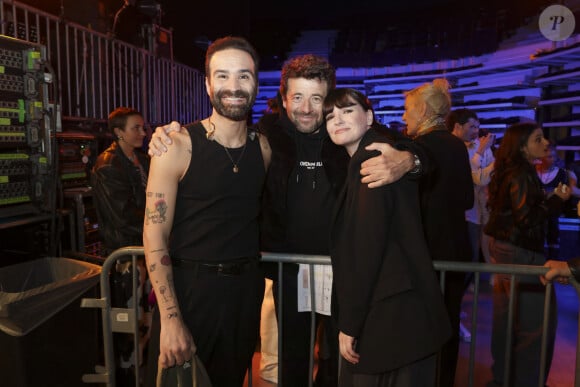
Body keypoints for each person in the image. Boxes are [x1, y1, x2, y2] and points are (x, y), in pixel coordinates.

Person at [148, 53, 424, 387]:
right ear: (283, 99)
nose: (306, 108)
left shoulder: (346, 129)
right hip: (291, 272)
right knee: (292, 360)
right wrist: (167, 132)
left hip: (345, 272)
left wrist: (411, 159)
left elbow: (415, 147)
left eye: (316, 98)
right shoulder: (266, 135)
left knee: (341, 360)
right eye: (297, 97)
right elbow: (222, 134)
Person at [142, 36, 271, 387]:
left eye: (244, 76)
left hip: (244, 295)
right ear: (208, 83)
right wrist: (170, 320)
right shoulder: (177, 145)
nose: (234, 86)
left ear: (256, 82)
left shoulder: (264, 148)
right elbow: (154, 234)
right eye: (223, 75)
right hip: (190, 294)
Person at [324, 87, 451, 387]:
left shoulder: (375, 158)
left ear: (369, 117)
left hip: (392, 317)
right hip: (400, 317)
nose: (337, 120)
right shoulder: (372, 154)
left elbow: (367, 249)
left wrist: (349, 323)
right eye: (330, 115)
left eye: (347, 110)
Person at [484, 122, 571, 387]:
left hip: (507, 250)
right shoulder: (522, 173)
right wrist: (556, 200)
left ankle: (503, 378)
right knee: (535, 327)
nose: (545, 143)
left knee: (508, 320)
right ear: (522, 146)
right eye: (538, 138)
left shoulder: (512, 171)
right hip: (522, 254)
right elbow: (527, 219)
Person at [402, 78, 474, 387]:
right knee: (448, 323)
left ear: (423, 111)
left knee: (420, 327)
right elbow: (467, 199)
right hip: (455, 250)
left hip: (425, 253)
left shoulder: (417, 148)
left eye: (408, 110)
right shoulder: (457, 145)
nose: (405, 117)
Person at [91, 107, 152, 385]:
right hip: (126, 254)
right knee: (130, 324)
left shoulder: (141, 159)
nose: (143, 132)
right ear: (118, 132)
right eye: (136, 128)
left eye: (143, 127)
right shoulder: (108, 164)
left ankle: (144, 373)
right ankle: (128, 377)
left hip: (145, 249)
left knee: (146, 321)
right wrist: (161, 228)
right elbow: (123, 215)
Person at [448, 108, 495, 269]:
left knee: (485, 243)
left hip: (482, 203)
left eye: (477, 126)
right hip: (462, 208)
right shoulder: (450, 146)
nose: (476, 131)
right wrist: (481, 153)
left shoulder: (481, 146)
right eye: (472, 126)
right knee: (468, 247)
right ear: (458, 126)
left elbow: (488, 175)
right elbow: (474, 176)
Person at [536, 142, 575, 259]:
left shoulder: (561, 173)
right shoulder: (533, 171)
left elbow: (564, 193)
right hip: (536, 214)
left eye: (553, 156)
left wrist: (551, 192)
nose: (551, 159)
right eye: (548, 156)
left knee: (553, 238)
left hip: (553, 213)